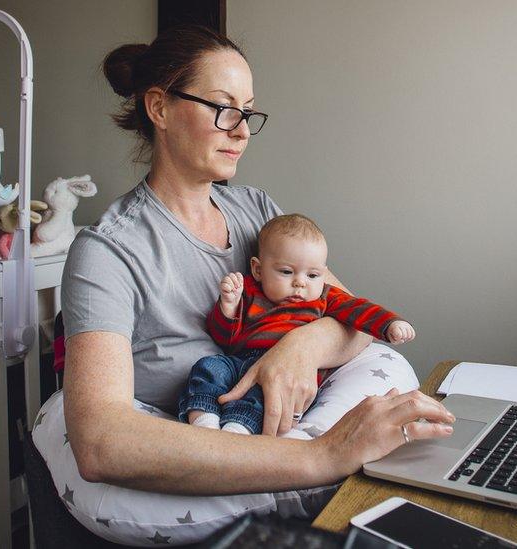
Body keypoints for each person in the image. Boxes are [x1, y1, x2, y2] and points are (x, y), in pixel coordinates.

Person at [39, 24, 455, 544]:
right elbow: (101, 442)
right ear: (160, 108)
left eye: (248, 111)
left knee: (391, 367)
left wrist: (299, 348)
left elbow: (350, 317)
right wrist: (320, 455)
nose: (241, 131)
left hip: (285, 417)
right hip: (202, 426)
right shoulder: (108, 252)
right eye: (223, 108)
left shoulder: (256, 210)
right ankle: (320, 474)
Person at [179, 213, 417, 435]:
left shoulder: (324, 297)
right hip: (241, 361)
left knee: (262, 396)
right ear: (258, 269)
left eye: (312, 275)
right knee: (208, 366)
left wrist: (389, 324)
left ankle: (237, 430)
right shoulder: (249, 292)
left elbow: (359, 310)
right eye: (286, 271)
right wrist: (228, 308)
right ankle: (204, 421)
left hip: (289, 374)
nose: (300, 283)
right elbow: (225, 339)